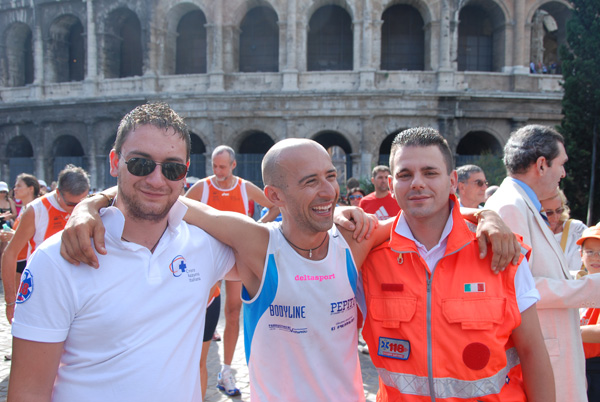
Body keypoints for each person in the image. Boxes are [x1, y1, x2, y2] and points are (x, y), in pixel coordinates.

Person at [60, 136, 522, 401]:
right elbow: (160, 195)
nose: (327, 191)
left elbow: (427, 221)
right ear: (275, 196)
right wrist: (90, 206)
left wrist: (487, 215)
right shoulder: (256, 244)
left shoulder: (355, 242)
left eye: (330, 177)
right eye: (309, 182)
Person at [7, 103, 236, 401]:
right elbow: (28, 392)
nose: (156, 179)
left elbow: (262, 241)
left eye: (172, 168)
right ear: (115, 162)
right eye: (140, 164)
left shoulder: (202, 247)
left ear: (185, 173)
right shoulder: (55, 260)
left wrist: (95, 201)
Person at [358, 127, 554, 401]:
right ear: (391, 185)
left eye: (430, 172)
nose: (416, 183)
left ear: (451, 181)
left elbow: (533, 351)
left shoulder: (501, 250)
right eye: (405, 174)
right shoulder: (368, 260)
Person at [485, 124, 600, 401]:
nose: (563, 173)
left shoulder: (521, 202)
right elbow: (515, 290)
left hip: (553, 351)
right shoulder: (511, 206)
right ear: (541, 164)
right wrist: (589, 288)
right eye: (561, 164)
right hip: (543, 356)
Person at [185, 144, 279, 396]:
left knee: (234, 311)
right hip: (208, 260)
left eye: (222, 166)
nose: (218, 171)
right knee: (200, 312)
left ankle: (226, 371)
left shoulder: (244, 187)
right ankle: (194, 370)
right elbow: (177, 209)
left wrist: (256, 227)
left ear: (233, 165)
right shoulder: (202, 187)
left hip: (237, 258)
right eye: (214, 166)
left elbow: (275, 206)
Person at [2, 165, 90, 323]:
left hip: (78, 292)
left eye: (82, 201)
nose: (76, 208)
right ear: (58, 193)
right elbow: (10, 253)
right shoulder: (36, 210)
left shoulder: (89, 206)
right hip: (42, 292)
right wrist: (10, 301)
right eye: (70, 204)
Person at [576, 224, 600, 401]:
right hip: (577, 364)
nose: (596, 257)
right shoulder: (576, 284)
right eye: (590, 251)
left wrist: (567, 330)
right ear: (581, 255)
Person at [540, 189, 587, 275]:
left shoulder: (577, 230)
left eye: (559, 210)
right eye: (549, 213)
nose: (555, 217)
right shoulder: (532, 232)